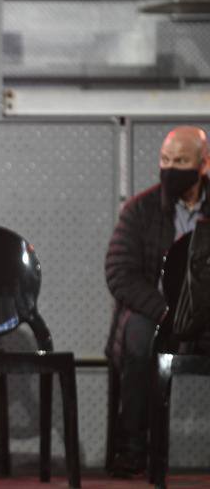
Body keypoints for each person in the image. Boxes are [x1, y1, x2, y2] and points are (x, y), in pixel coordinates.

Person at [105, 125, 210, 477]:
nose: (171, 168)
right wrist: (165, 312)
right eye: (166, 160)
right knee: (137, 338)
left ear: (204, 164)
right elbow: (120, 272)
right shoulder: (140, 209)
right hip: (156, 310)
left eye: (181, 161)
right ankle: (132, 446)